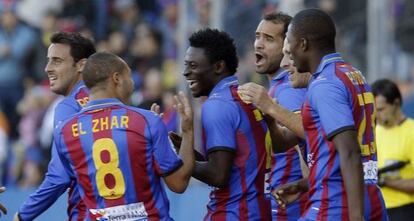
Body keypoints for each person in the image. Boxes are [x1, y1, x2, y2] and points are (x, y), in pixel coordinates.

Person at [239, 9, 388, 221]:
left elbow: (349, 150)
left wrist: (355, 216)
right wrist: (306, 183)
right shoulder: (353, 74)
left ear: (303, 44)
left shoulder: (324, 85)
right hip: (369, 195)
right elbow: (306, 139)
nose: (284, 61)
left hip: (338, 200)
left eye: (288, 49)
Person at [54, 52, 195, 220]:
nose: (133, 82)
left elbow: (73, 190)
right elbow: (178, 183)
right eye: (129, 75)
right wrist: (187, 131)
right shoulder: (147, 121)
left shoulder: (65, 132)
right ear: (117, 78)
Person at [183, 28, 270, 220]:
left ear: (218, 66)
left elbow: (219, 175)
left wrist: (177, 162)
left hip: (233, 212)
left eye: (193, 65)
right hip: (257, 210)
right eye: (186, 65)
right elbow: (237, 161)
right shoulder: (244, 97)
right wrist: (186, 150)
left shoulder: (217, 105)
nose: (186, 72)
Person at [15, 32, 96, 221]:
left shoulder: (68, 107)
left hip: (88, 214)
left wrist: (22, 215)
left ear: (81, 65)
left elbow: (59, 177)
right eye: (48, 60)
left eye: (57, 61)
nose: (47, 68)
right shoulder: (117, 103)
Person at [254, 11, 308, 220]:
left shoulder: (289, 89)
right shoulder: (278, 87)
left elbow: (306, 136)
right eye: (257, 36)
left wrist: (304, 185)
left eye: (268, 39)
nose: (259, 44)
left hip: (291, 203)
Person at [372, 79, 414, 221]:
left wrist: (385, 182)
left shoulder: (411, 132)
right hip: (376, 208)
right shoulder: (373, 132)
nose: (376, 115)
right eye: (374, 110)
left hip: (404, 210)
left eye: (381, 109)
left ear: (396, 103)